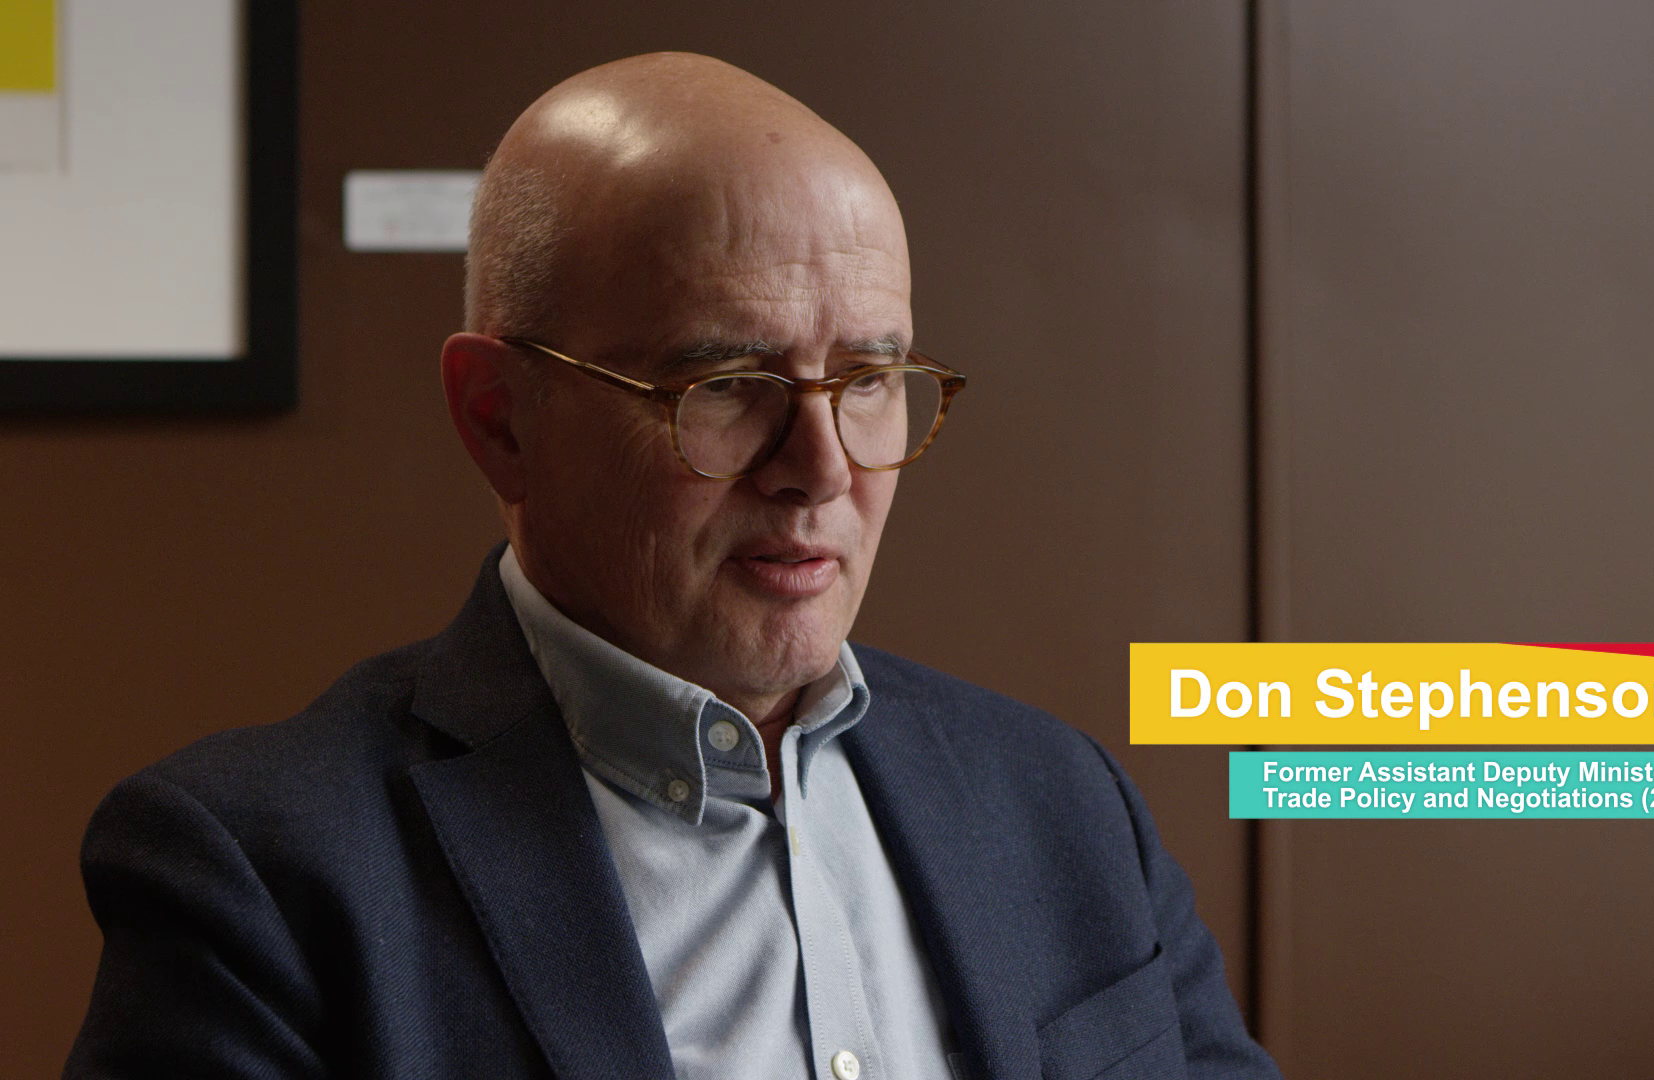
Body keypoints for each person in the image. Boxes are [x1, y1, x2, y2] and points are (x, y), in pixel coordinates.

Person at [65, 53, 1280, 1080]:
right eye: (728, 387)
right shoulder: (261, 881)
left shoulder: (1061, 800)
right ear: (499, 416)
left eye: (867, 383)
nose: (821, 468)